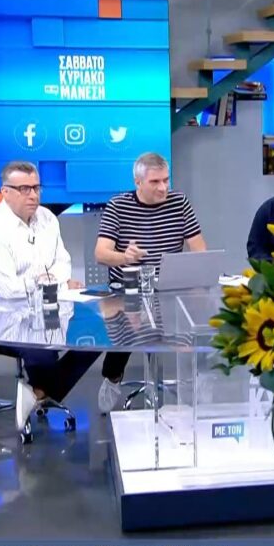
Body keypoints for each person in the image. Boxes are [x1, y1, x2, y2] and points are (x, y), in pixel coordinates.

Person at [0, 160, 100, 430]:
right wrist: (49, 281)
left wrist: (51, 280)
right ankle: (41, 392)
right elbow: (8, 290)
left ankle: (37, 393)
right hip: (1, 315)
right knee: (42, 351)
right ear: (5, 192)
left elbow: (63, 264)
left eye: (36, 188)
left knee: (97, 335)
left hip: (46, 307)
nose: (33, 195)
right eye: (24, 189)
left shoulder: (48, 219)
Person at [93, 152, 207, 413]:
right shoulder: (118, 206)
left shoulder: (179, 202)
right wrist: (125, 257)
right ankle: (113, 377)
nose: (163, 187)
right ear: (138, 182)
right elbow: (100, 253)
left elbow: (199, 248)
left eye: (166, 180)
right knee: (125, 328)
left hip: (170, 289)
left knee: (196, 322)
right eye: (155, 182)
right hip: (128, 290)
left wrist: (199, 275)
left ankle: (197, 382)